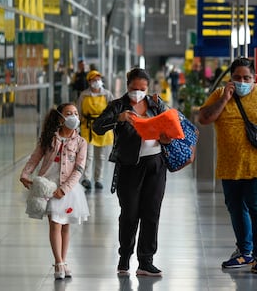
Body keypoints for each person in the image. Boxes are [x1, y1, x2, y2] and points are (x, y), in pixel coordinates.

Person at [198, 57, 257, 274]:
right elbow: (204, 118)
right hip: (230, 166)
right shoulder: (220, 94)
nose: (241, 81)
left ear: (255, 78)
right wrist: (224, 99)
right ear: (230, 78)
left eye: (246, 78)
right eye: (237, 77)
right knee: (236, 209)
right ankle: (244, 251)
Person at [93, 67, 172, 277]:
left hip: (156, 163)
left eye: (142, 88)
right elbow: (97, 127)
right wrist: (118, 118)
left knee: (151, 212)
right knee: (129, 214)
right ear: (127, 86)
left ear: (148, 87)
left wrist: (167, 137)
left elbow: (170, 127)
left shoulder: (156, 104)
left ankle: (146, 261)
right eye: (133, 88)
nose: (137, 92)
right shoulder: (118, 105)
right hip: (129, 166)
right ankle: (124, 256)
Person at [20, 103, 90, 280]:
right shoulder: (49, 138)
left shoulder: (81, 142)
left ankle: (63, 261)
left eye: (75, 113)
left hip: (68, 190)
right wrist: (25, 174)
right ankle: (58, 262)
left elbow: (79, 169)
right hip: (48, 187)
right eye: (69, 113)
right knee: (55, 224)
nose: (73, 116)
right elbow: (35, 157)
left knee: (65, 226)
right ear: (60, 118)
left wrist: (64, 189)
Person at [77, 70, 114, 190]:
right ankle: (86, 179)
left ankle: (99, 179)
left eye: (98, 79)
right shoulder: (84, 95)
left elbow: (113, 110)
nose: (97, 81)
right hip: (87, 128)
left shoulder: (107, 95)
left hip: (103, 128)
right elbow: (78, 111)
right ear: (89, 82)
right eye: (94, 79)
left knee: (101, 156)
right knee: (88, 155)